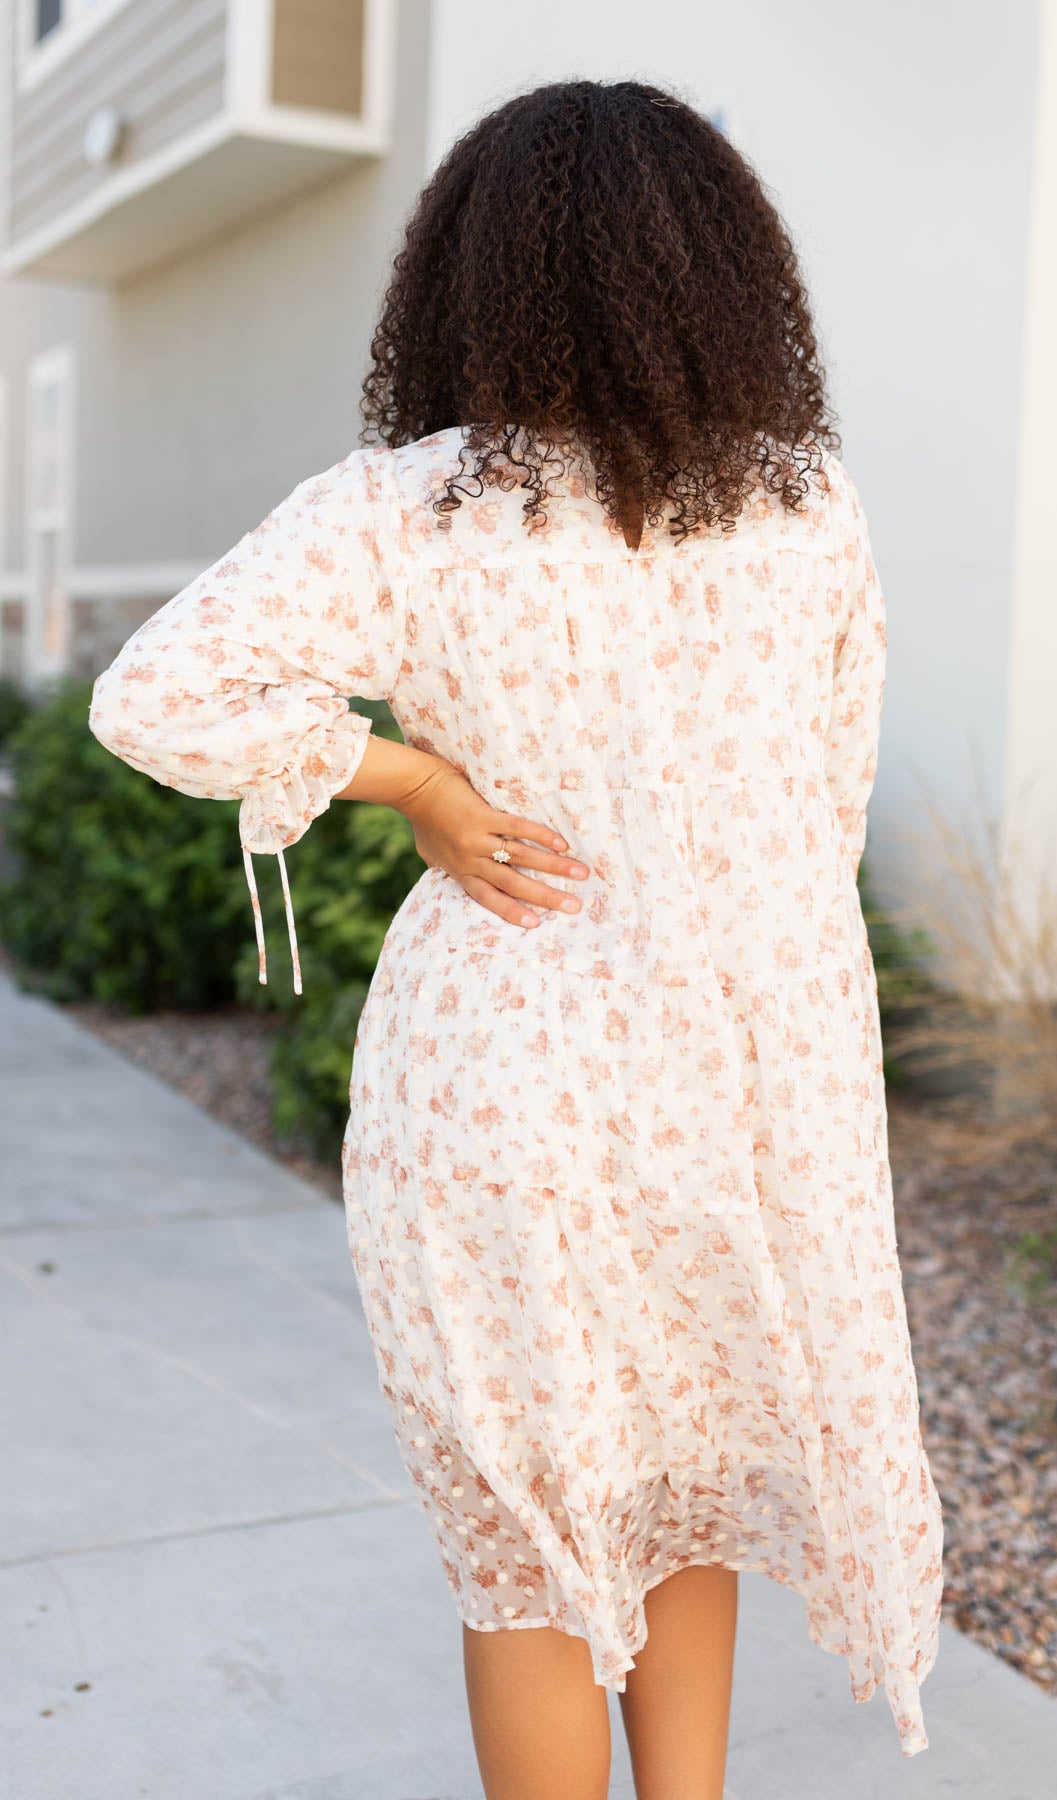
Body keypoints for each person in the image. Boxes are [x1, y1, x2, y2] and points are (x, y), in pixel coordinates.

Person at [89, 76, 942, 1800]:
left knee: (537, 1543)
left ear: (468, 277)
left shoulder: (412, 505)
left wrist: (410, 778)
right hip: (744, 1076)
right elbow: (819, 821)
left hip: (507, 1092)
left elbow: (153, 697)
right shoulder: (806, 506)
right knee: (684, 1482)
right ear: (721, 272)